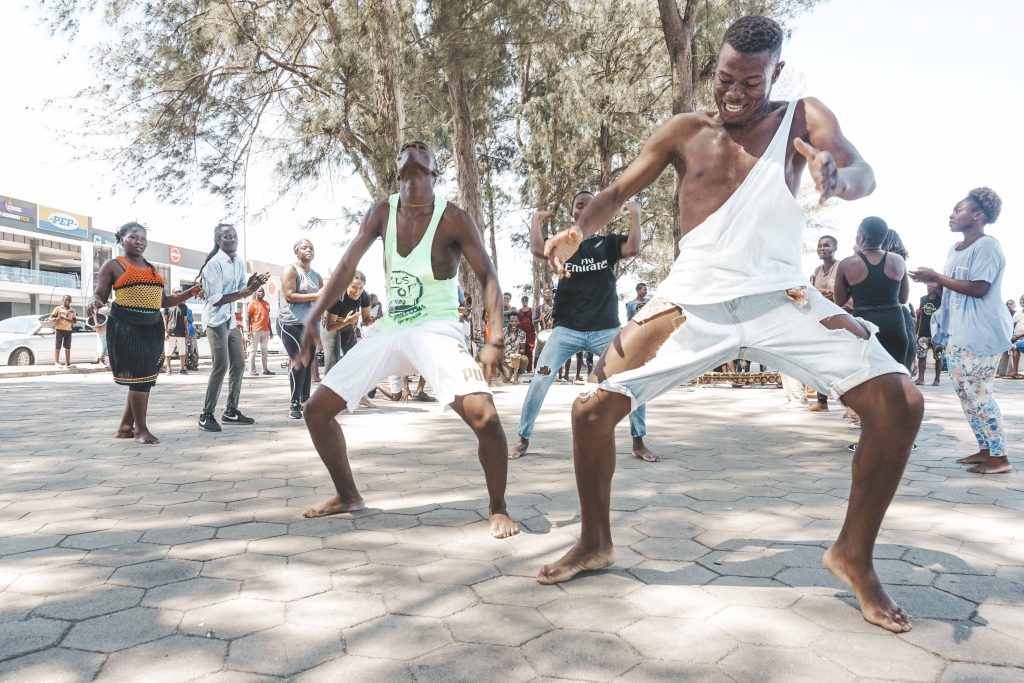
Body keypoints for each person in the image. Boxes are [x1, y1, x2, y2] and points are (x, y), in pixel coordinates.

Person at [538, 16, 922, 634]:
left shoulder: (802, 117)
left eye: (750, 80)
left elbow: (861, 172)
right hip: (691, 301)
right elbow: (614, 191)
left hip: (781, 297)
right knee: (589, 409)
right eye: (724, 78)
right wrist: (579, 229)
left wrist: (837, 176)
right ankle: (595, 541)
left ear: (775, 72)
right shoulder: (685, 132)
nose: (734, 93)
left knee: (900, 401)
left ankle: (854, 555)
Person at [295, 140, 518, 539]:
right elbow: (348, 265)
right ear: (398, 170)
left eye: (422, 148)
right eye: (404, 149)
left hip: (437, 328)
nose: (413, 148)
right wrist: (314, 315)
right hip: (390, 327)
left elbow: (488, 278)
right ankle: (348, 496)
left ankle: (498, 507)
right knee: (315, 411)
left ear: (435, 171)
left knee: (486, 419)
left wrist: (495, 338)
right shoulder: (383, 211)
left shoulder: (454, 218)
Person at [510, 194, 658, 463]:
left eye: (591, 204)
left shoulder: (608, 243)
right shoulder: (564, 243)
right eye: (579, 204)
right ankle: (523, 438)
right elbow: (536, 249)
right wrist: (534, 221)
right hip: (567, 330)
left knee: (633, 379)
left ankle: (638, 441)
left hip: (605, 330)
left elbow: (633, 248)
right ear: (573, 212)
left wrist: (635, 213)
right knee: (541, 378)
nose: (585, 207)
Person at [911, 188, 1012, 475]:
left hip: (982, 333)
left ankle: (1000, 457)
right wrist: (932, 283)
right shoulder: (954, 249)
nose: (952, 215)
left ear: (978, 215)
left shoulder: (988, 246)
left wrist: (938, 277)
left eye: (959, 210)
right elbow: (953, 288)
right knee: (965, 393)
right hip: (957, 332)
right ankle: (985, 449)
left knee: (980, 393)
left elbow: (980, 288)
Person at [87, 222, 202, 443]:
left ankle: (125, 427)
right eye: (133, 237)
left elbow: (163, 301)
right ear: (121, 240)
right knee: (140, 378)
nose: (139, 241)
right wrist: (94, 301)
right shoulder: (113, 265)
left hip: (152, 327)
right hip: (128, 327)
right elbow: (99, 295)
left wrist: (189, 293)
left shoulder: (151, 268)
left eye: (143, 238)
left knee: (145, 378)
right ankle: (140, 430)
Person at [196, 223, 270, 432]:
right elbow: (216, 299)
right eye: (227, 237)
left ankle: (231, 410)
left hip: (230, 321)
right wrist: (247, 291)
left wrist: (250, 283)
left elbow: (239, 289)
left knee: (238, 364)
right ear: (218, 240)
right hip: (215, 320)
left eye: (235, 236)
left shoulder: (237, 261)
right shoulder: (214, 264)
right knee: (221, 365)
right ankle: (206, 414)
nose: (233, 240)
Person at [834, 217, 911, 369]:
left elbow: (839, 300)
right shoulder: (898, 261)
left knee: (865, 380)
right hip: (895, 325)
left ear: (861, 236)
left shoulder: (847, 264)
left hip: (864, 327)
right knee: (896, 378)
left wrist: (853, 288)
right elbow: (903, 298)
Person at [279, 239, 323, 420]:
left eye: (311, 247)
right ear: (297, 252)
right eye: (304, 247)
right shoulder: (291, 270)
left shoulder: (316, 276)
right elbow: (289, 296)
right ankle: (294, 403)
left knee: (309, 361)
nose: (309, 250)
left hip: (309, 325)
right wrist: (315, 295)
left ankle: (305, 399)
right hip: (290, 323)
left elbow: (321, 299)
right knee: (299, 359)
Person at [805, 235, 838, 412]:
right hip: (822, 320)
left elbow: (848, 294)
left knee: (841, 362)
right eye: (819, 246)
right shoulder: (817, 271)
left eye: (826, 245)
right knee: (820, 360)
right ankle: (821, 401)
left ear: (835, 248)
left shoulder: (841, 267)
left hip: (841, 319)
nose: (822, 248)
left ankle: (852, 405)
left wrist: (835, 296)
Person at [322, 271, 371, 374]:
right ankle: (329, 388)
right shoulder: (337, 296)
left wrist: (375, 321)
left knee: (353, 358)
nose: (357, 291)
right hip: (332, 327)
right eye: (354, 287)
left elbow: (366, 319)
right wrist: (347, 321)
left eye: (360, 288)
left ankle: (351, 388)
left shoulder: (365, 296)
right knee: (333, 362)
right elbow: (329, 327)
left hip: (348, 324)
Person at [915, 284, 943, 386]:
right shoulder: (923, 299)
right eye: (927, 286)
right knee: (921, 356)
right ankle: (921, 379)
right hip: (923, 333)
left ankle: (937, 379)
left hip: (937, 334)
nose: (929, 288)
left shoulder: (942, 300)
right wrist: (916, 331)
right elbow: (919, 315)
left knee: (938, 357)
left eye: (931, 286)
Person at [246, 287, 274, 376]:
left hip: (266, 331)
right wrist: (249, 331)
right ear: (256, 293)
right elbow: (248, 318)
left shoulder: (267, 304)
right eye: (259, 291)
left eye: (262, 291)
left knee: (264, 351)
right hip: (255, 330)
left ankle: (265, 370)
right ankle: (252, 370)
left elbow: (268, 318)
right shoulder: (252, 303)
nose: (261, 293)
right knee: (253, 351)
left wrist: (271, 331)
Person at [163, 292, 190, 375]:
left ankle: (182, 369)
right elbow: (165, 320)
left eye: (179, 292)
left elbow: (185, 320)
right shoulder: (167, 305)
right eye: (176, 292)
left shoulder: (184, 306)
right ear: (173, 294)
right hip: (170, 332)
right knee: (168, 352)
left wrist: (187, 332)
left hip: (181, 333)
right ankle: (168, 369)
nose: (178, 294)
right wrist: (165, 331)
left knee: (182, 352)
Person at [50, 295, 76, 367]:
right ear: (63, 300)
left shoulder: (72, 310)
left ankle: (67, 363)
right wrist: (57, 318)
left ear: (71, 301)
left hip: (68, 330)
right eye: (66, 299)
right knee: (58, 346)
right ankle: (56, 362)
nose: (67, 300)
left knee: (68, 347)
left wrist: (65, 319)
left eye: (69, 299)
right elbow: (51, 317)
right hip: (59, 329)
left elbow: (74, 321)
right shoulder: (58, 308)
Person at [502, 316, 529, 383]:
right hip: (505, 358)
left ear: (518, 322)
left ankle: (518, 374)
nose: (514, 323)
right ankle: (508, 372)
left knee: (525, 359)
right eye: (512, 321)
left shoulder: (522, 333)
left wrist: (516, 354)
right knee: (506, 380)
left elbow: (523, 349)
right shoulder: (503, 331)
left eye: (516, 321)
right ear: (508, 322)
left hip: (516, 357)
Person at [518, 295, 536, 372]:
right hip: (521, 331)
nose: (524, 302)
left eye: (526, 300)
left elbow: (534, 320)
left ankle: (529, 369)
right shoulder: (519, 310)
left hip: (530, 332)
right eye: (523, 300)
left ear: (528, 301)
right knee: (521, 349)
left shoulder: (532, 310)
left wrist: (536, 331)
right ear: (521, 301)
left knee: (529, 350)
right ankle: (521, 369)